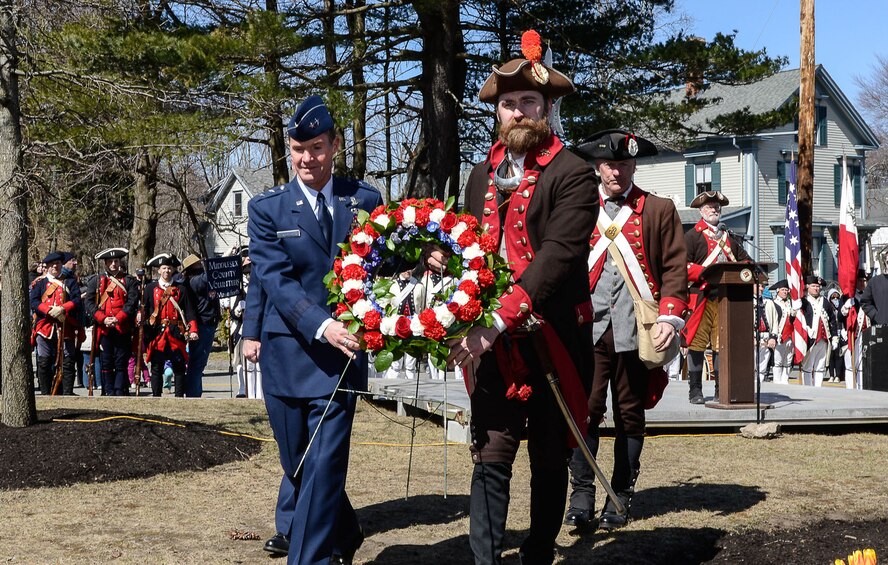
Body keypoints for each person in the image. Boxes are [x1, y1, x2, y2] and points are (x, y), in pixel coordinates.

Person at [438, 31, 598, 565]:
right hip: (493, 345)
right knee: (490, 454)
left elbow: (557, 255)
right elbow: (470, 249)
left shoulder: (573, 173)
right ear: (497, 114)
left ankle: (537, 553)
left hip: (551, 335)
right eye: (509, 104)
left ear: (547, 108)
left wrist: (500, 319)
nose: (518, 111)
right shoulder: (480, 174)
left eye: (529, 102)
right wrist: (440, 259)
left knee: (550, 458)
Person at [247, 95, 382, 565]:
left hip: (342, 359)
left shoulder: (364, 200)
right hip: (289, 354)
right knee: (299, 464)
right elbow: (276, 282)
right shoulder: (267, 210)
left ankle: (310, 559)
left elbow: (380, 263)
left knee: (323, 467)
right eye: (299, 149)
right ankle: (344, 529)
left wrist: (420, 253)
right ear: (290, 149)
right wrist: (319, 324)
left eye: (318, 148)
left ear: (335, 145)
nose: (308, 158)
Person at [562, 130, 687, 531]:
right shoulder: (578, 207)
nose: (617, 171)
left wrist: (669, 316)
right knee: (585, 412)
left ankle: (619, 496)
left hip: (637, 329)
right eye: (610, 165)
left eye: (625, 164)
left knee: (630, 415)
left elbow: (673, 269)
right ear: (598, 167)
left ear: (634, 166)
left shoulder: (658, 209)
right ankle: (581, 495)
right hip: (588, 326)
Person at [683, 191, 751, 404]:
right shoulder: (692, 236)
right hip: (700, 298)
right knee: (696, 344)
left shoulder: (728, 237)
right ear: (701, 211)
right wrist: (704, 272)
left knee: (721, 345)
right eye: (710, 207)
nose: (715, 210)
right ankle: (695, 390)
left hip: (725, 300)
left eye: (717, 207)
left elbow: (745, 260)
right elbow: (682, 266)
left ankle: (722, 389)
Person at [141, 253, 198, 397]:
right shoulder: (149, 288)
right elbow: (145, 311)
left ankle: (179, 397)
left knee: (179, 368)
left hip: (176, 332)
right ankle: (156, 396)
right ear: (159, 271)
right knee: (156, 367)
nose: (167, 271)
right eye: (164, 268)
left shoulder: (181, 289)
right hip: (157, 334)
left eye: (169, 268)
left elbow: (190, 311)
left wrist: (193, 330)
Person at [84, 248, 139, 396]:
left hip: (122, 328)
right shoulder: (96, 281)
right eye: (110, 261)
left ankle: (120, 391)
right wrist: (103, 318)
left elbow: (132, 302)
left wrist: (118, 318)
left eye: (116, 261)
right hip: (104, 329)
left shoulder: (129, 281)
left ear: (120, 262)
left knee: (121, 362)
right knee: (106, 362)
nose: (113, 264)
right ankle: (107, 391)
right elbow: (89, 303)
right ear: (105, 263)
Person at [30, 251, 82, 395]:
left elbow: (77, 300)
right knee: (44, 361)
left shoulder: (70, 281)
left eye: (58, 264)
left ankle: (67, 393)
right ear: (47, 267)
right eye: (52, 265)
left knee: (68, 361)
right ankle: (46, 393)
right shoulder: (40, 283)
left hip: (65, 324)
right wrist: (48, 310)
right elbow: (34, 301)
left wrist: (62, 309)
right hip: (45, 326)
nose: (55, 267)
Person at [182, 254, 222, 397]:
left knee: (199, 362)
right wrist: (223, 260)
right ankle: (193, 394)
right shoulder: (194, 281)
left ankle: (195, 392)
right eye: (198, 264)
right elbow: (209, 277)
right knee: (197, 362)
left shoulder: (198, 279)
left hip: (208, 323)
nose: (201, 265)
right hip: (202, 324)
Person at [797, 275, 838, 386]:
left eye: (818, 286)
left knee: (820, 367)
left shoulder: (825, 302)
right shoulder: (803, 302)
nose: (816, 288)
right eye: (814, 286)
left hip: (824, 340)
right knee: (808, 367)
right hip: (810, 339)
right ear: (808, 287)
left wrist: (834, 337)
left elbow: (832, 321)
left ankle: (818, 389)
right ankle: (808, 389)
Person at [381, 271, 419, 379]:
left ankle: (411, 386)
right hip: (395, 324)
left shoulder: (418, 285)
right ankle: (391, 388)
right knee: (395, 361)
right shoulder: (392, 285)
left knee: (411, 361)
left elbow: (421, 306)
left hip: (413, 325)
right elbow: (385, 304)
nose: (408, 271)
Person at [841, 270, 871, 389]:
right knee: (850, 364)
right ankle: (850, 388)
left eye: (864, 280)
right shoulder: (848, 297)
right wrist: (846, 307)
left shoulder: (870, 297)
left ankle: (861, 387)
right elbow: (840, 316)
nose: (862, 283)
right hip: (851, 335)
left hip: (866, 334)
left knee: (862, 364)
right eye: (859, 280)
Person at [763, 279, 795, 384]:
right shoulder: (773, 303)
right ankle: (777, 382)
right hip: (780, 336)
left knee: (788, 361)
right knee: (778, 361)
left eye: (786, 290)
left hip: (791, 336)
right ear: (778, 291)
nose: (785, 292)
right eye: (783, 290)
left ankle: (785, 380)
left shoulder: (791, 303)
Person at [826, 288, 845, 383]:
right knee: (830, 356)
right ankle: (831, 375)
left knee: (838, 355)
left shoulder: (841, 308)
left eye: (837, 297)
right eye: (833, 297)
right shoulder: (828, 308)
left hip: (840, 333)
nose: (835, 299)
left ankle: (838, 375)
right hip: (830, 333)